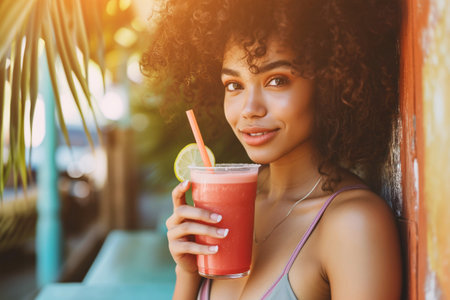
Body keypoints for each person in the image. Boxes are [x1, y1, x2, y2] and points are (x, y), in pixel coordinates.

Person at [141, 0, 402, 299]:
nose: (249, 110)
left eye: (277, 80)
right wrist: (187, 273)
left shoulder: (354, 223)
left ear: (330, 83)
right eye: (234, 85)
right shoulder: (227, 206)